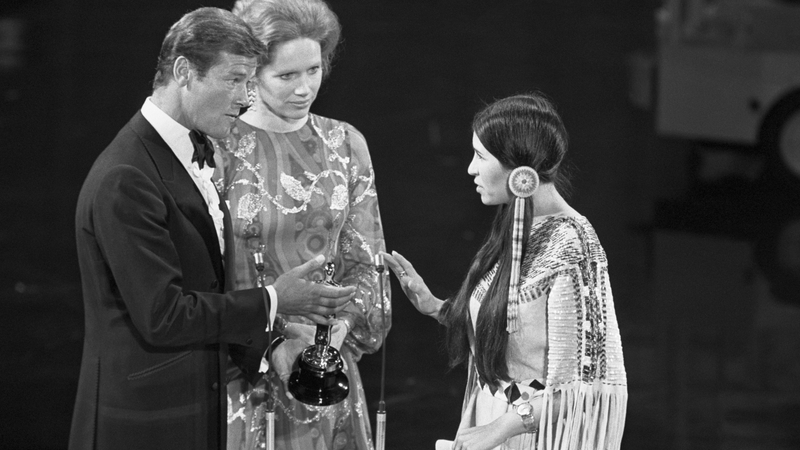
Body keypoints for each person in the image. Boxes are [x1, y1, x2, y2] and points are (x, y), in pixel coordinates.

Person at [70, 7, 356, 450]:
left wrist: (271, 344)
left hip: (193, 414)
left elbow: (205, 290)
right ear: (184, 72)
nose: (246, 98)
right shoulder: (126, 176)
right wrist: (275, 299)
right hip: (144, 423)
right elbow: (164, 317)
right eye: (235, 80)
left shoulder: (191, 150)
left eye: (250, 81)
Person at [383, 93, 627, 450]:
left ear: (519, 169)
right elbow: (512, 329)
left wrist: (500, 429)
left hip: (530, 434)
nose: (471, 168)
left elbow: (582, 386)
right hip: (495, 420)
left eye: (481, 156)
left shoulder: (572, 246)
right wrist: (436, 307)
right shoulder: (517, 225)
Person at [214, 1, 390, 449]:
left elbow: (368, 263)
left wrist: (336, 335)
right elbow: (206, 278)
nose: (304, 88)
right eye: (287, 76)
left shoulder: (345, 143)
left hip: (326, 377)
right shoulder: (219, 148)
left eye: (313, 70)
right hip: (244, 374)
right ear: (252, 73)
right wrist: (273, 341)